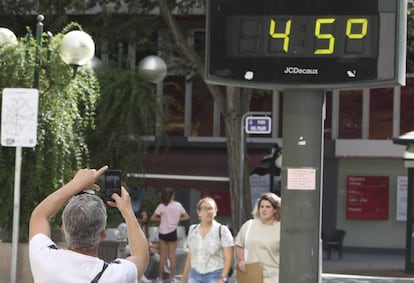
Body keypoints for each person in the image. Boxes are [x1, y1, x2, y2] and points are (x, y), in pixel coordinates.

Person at [29, 165, 149, 283]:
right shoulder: (116, 276)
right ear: (103, 234)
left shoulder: (45, 261)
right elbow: (141, 256)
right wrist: (127, 211)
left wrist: (75, 184)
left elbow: (39, 216)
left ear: (63, 229)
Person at [180, 197, 234, 283]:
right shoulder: (193, 230)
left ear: (215, 211)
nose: (208, 211)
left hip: (215, 274)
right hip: (195, 274)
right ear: (199, 212)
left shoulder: (222, 230)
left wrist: (223, 278)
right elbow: (191, 256)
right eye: (205, 208)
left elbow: (229, 258)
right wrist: (183, 279)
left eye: (211, 208)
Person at [235, 192, 281, 283]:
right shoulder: (249, 225)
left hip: (273, 276)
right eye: (262, 207)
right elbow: (239, 244)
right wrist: (241, 259)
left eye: (268, 207)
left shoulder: (281, 228)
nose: (264, 210)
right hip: (252, 275)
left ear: (275, 210)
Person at [150, 187, 190, 282]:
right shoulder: (178, 205)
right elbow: (186, 216)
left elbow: (153, 218)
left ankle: (160, 278)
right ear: (173, 195)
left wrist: (161, 219)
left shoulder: (162, 206)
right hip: (172, 232)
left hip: (163, 232)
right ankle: (172, 277)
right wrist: (177, 219)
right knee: (172, 256)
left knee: (163, 256)